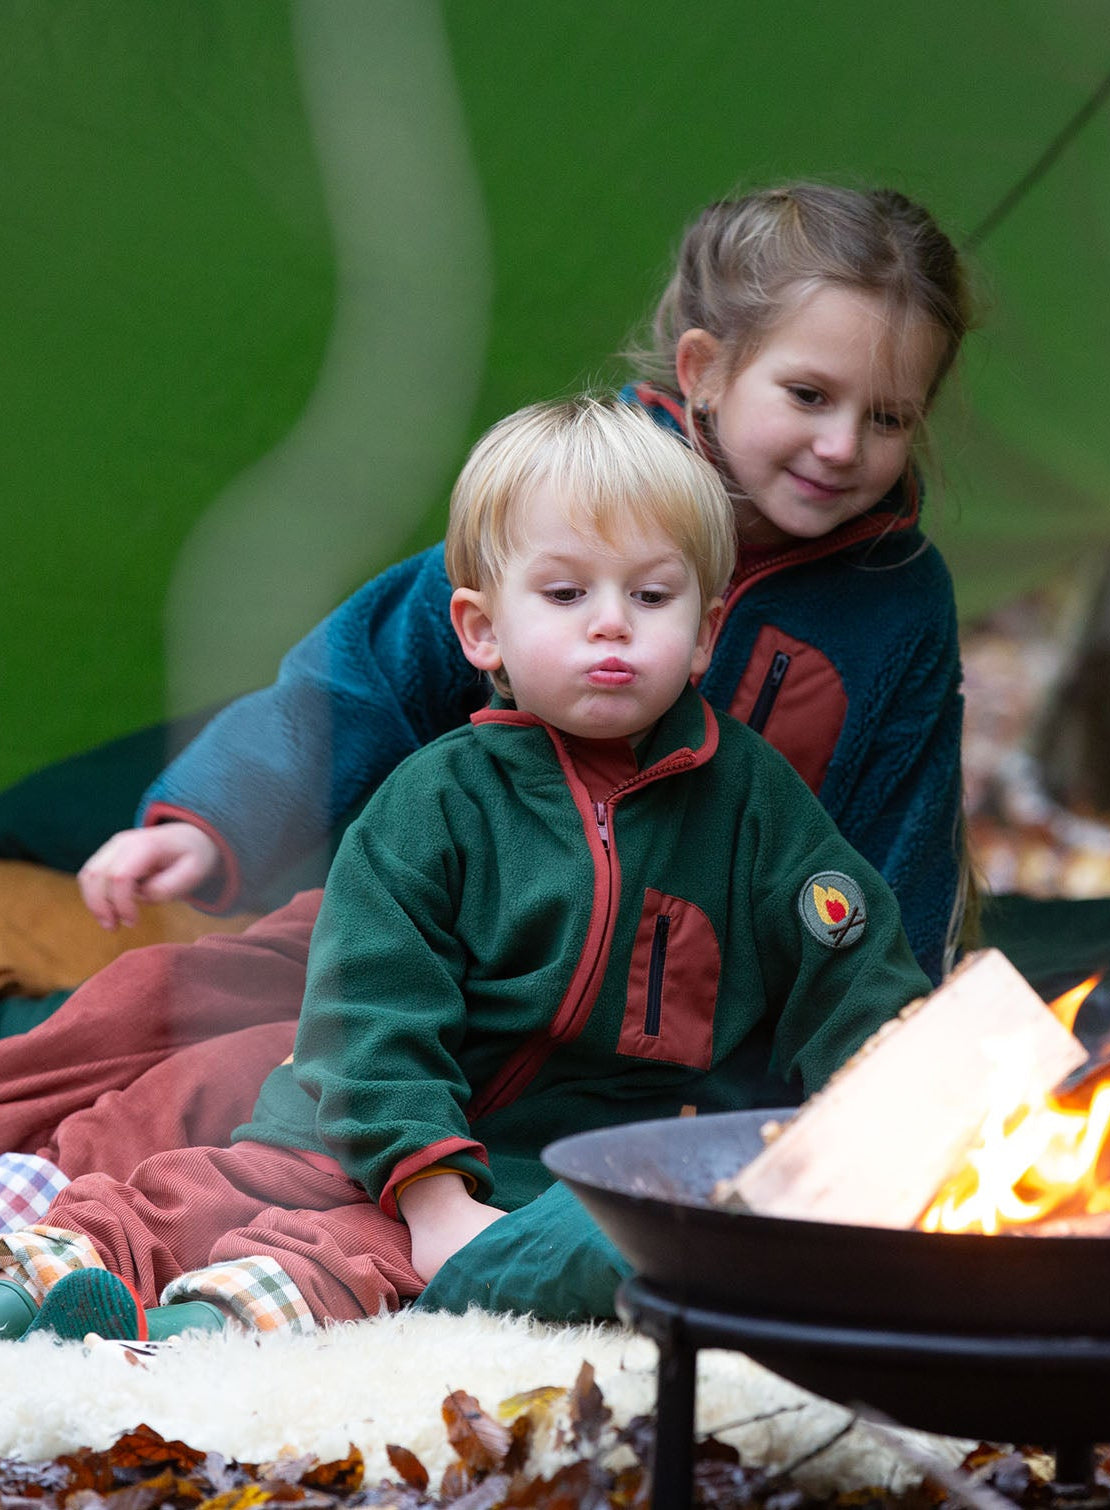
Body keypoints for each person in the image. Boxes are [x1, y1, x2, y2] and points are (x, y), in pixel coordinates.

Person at [0, 179, 972, 1223]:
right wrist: (215, 815)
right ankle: (30, 1152)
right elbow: (365, 673)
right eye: (809, 395)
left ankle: (76, 1204)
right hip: (433, 918)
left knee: (255, 1078)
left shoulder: (892, 598)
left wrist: (881, 1083)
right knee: (154, 1003)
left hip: (654, 1005)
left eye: (886, 418)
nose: (841, 446)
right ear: (706, 369)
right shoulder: (576, 490)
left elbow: (888, 848)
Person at [0, 397, 931, 1342]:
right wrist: (431, 1188)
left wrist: (911, 1119)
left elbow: (851, 969)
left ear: (703, 632)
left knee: (351, 1264)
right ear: (482, 630)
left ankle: (192, 1333)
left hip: (535, 1160)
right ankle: (37, 1285)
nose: (612, 626)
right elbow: (372, 1011)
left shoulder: (754, 805)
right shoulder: (437, 799)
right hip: (347, 1128)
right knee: (194, 1193)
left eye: (651, 597)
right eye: (566, 596)